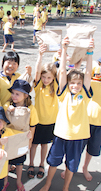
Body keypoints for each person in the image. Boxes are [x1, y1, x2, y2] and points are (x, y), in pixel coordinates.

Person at [39, 36, 94, 191]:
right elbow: (62, 71)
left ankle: (65, 188)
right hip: (61, 134)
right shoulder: (63, 94)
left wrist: (90, 51)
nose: (75, 85)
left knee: (71, 165)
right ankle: (48, 183)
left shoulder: (85, 94)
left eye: (78, 83)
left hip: (78, 137)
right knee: (54, 162)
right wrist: (64, 48)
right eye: (72, 83)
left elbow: (89, 72)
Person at [28, 44, 58, 179]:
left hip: (50, 121)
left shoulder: (56, 87)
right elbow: (37, 72)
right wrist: (40, 55)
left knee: (44, 145)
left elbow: (62, 73)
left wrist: (62, 55)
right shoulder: (39, 86)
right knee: (33, 144)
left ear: (53, 78)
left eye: (49, 78)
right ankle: (31, 164)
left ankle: (41, 164)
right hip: (37, 121)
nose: (46, 80)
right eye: (44, 77)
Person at [3, 79, 38, 191]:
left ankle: (18, 180)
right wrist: (7, 110)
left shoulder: (31, 109)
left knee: (19, 162)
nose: (14, 96)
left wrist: (29, 141)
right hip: (8, 140)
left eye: (17, 94)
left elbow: (32, 126)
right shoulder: (8, 105)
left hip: (21, 140)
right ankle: (5, 181)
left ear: (25, 95)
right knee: (6, 161)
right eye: (12, 93)